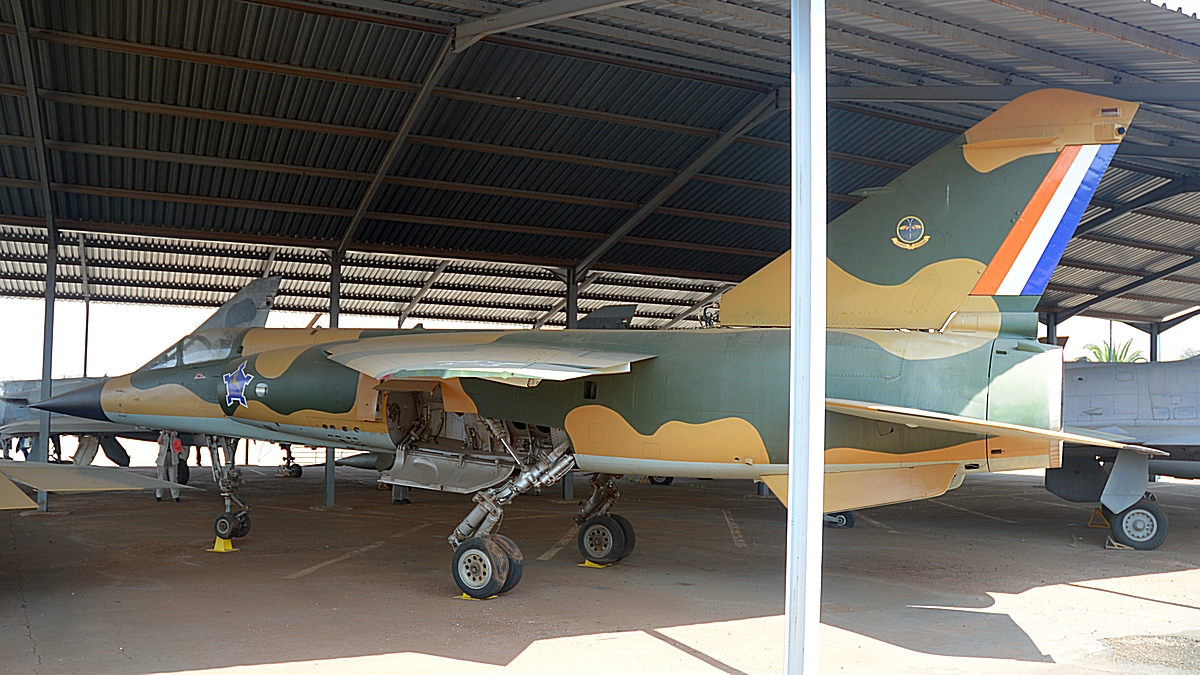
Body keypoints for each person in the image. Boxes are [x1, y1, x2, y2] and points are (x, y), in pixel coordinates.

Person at [156, 430, 181, 502]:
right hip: (163, 456)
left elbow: (178, 444)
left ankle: (175, 495)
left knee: (173, 477)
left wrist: (174, 436)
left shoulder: (176, 433)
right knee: (161, 477)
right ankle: (159, 495)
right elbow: (159, 441)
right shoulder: (161, 433)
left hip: (172, 456)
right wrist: (163, 433)